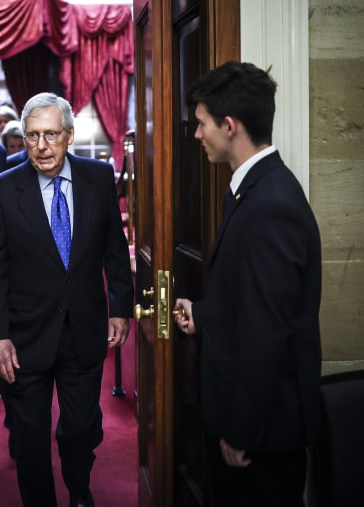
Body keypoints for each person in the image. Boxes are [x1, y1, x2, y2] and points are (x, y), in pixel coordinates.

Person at [174, 61, 322, 507]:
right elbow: (249, 296)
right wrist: (201, 314)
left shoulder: (270, 205)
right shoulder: (250, 189)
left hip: (261, 437)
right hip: (255, 428)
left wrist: (241, 431)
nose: (197, 135)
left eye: (201, 124)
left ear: (230, 125)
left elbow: (267, 332)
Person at [0, 92, 134, 507]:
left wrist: (120, 307)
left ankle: (80, 493)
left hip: (84, 329)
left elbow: (115, 251)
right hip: (25, 337)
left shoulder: (98, 179)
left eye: (50, 135)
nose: (41, 146)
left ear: (68, 135)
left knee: (80, 430)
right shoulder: (0, 190)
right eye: (32, 136)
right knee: (29, 440)